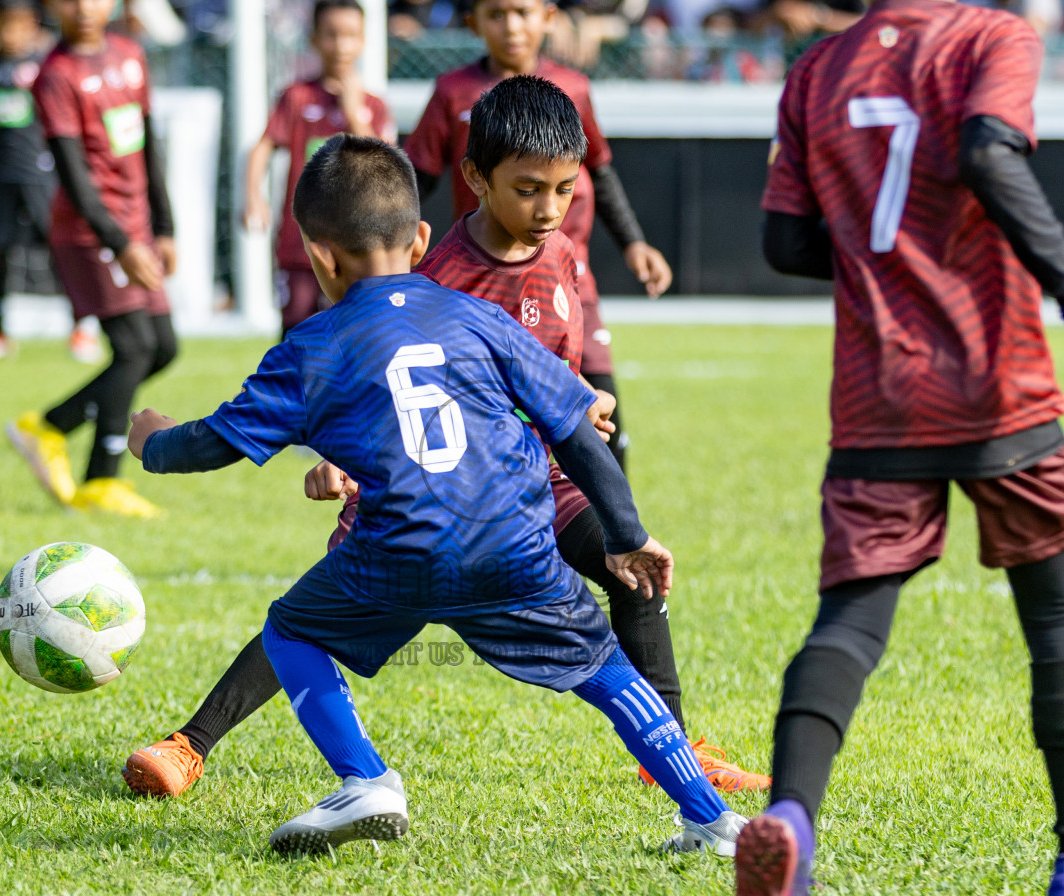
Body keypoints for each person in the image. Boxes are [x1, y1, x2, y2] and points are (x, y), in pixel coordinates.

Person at [121, 76, 766, 803]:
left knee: (634, 567)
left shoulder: (556, 250)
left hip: (540, 483)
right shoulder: (442, 279)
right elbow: (385, 376)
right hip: (433, 486)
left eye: (563, 190)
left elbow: (544, 375)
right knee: (311, 619)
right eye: (529, 191)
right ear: (475, 184)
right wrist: (339, 464)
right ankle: (191, 741)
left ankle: (672, 752)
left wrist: (582, 399)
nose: (549, 209)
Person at [727, 0, 1064, 896]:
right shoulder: (990, 38)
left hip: (877, 389)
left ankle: (790, 815)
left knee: (849, 620)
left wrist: (886, 257)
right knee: (1058, 625)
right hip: (997, 377)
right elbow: (990, 154)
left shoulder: (818, 69)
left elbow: (788, 244)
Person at [404, 0, 674, 473]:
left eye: (523, 12)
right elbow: (413, 181)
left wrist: (634, 242)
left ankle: (609, 537)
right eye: (496, 13)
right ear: (473, 23)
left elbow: (601, 171)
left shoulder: (572, 88)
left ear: (547, 18)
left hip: (567, 282)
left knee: (602, 424)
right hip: (486, 290)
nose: (511, 26)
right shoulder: (451, 92)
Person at [4, 0, 179, 519]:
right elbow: (74, 176)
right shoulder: (55, 75)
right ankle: (99, 478)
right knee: (133, 348)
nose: (84, 7)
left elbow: (149, 149)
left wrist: (163, 227)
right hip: (90, 232)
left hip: (137, 226)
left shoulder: (129, 53)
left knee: (162, 347)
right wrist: (120, 242)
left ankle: (50, 427)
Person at [243, 0, 397, 338]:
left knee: (349, 339)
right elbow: (262, 147)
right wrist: (253, 195)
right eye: (331, 35)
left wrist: (355, 115)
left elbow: (385, 166)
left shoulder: (373, 106)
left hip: (355, 248)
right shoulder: (297, 97)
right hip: (301, 246)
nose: (341, 45)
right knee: (295, 336)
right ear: (314, 39)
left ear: (363, 40)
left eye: (350, 35)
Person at [0, 0, 101, 367]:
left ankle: (82, 328)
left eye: (19, 25)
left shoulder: (46, 65)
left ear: (32, 26)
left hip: (43, 174)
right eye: (4, 26)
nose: (11, 33)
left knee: (61, 252)